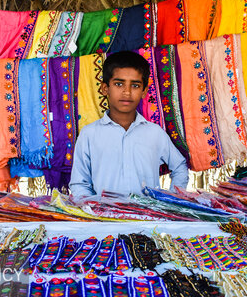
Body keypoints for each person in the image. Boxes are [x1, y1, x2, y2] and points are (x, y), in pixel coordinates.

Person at [69, 51, 189, 198]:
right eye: (119, 84)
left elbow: (179, 166)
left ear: (144, 91)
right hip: (104, 218)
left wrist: (171, 200)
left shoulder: (154, 133)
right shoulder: (89, 134)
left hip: (148, 218)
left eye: (135, 85)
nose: (127, 92)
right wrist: (94, 210)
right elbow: (79, 184)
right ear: (105, 88)